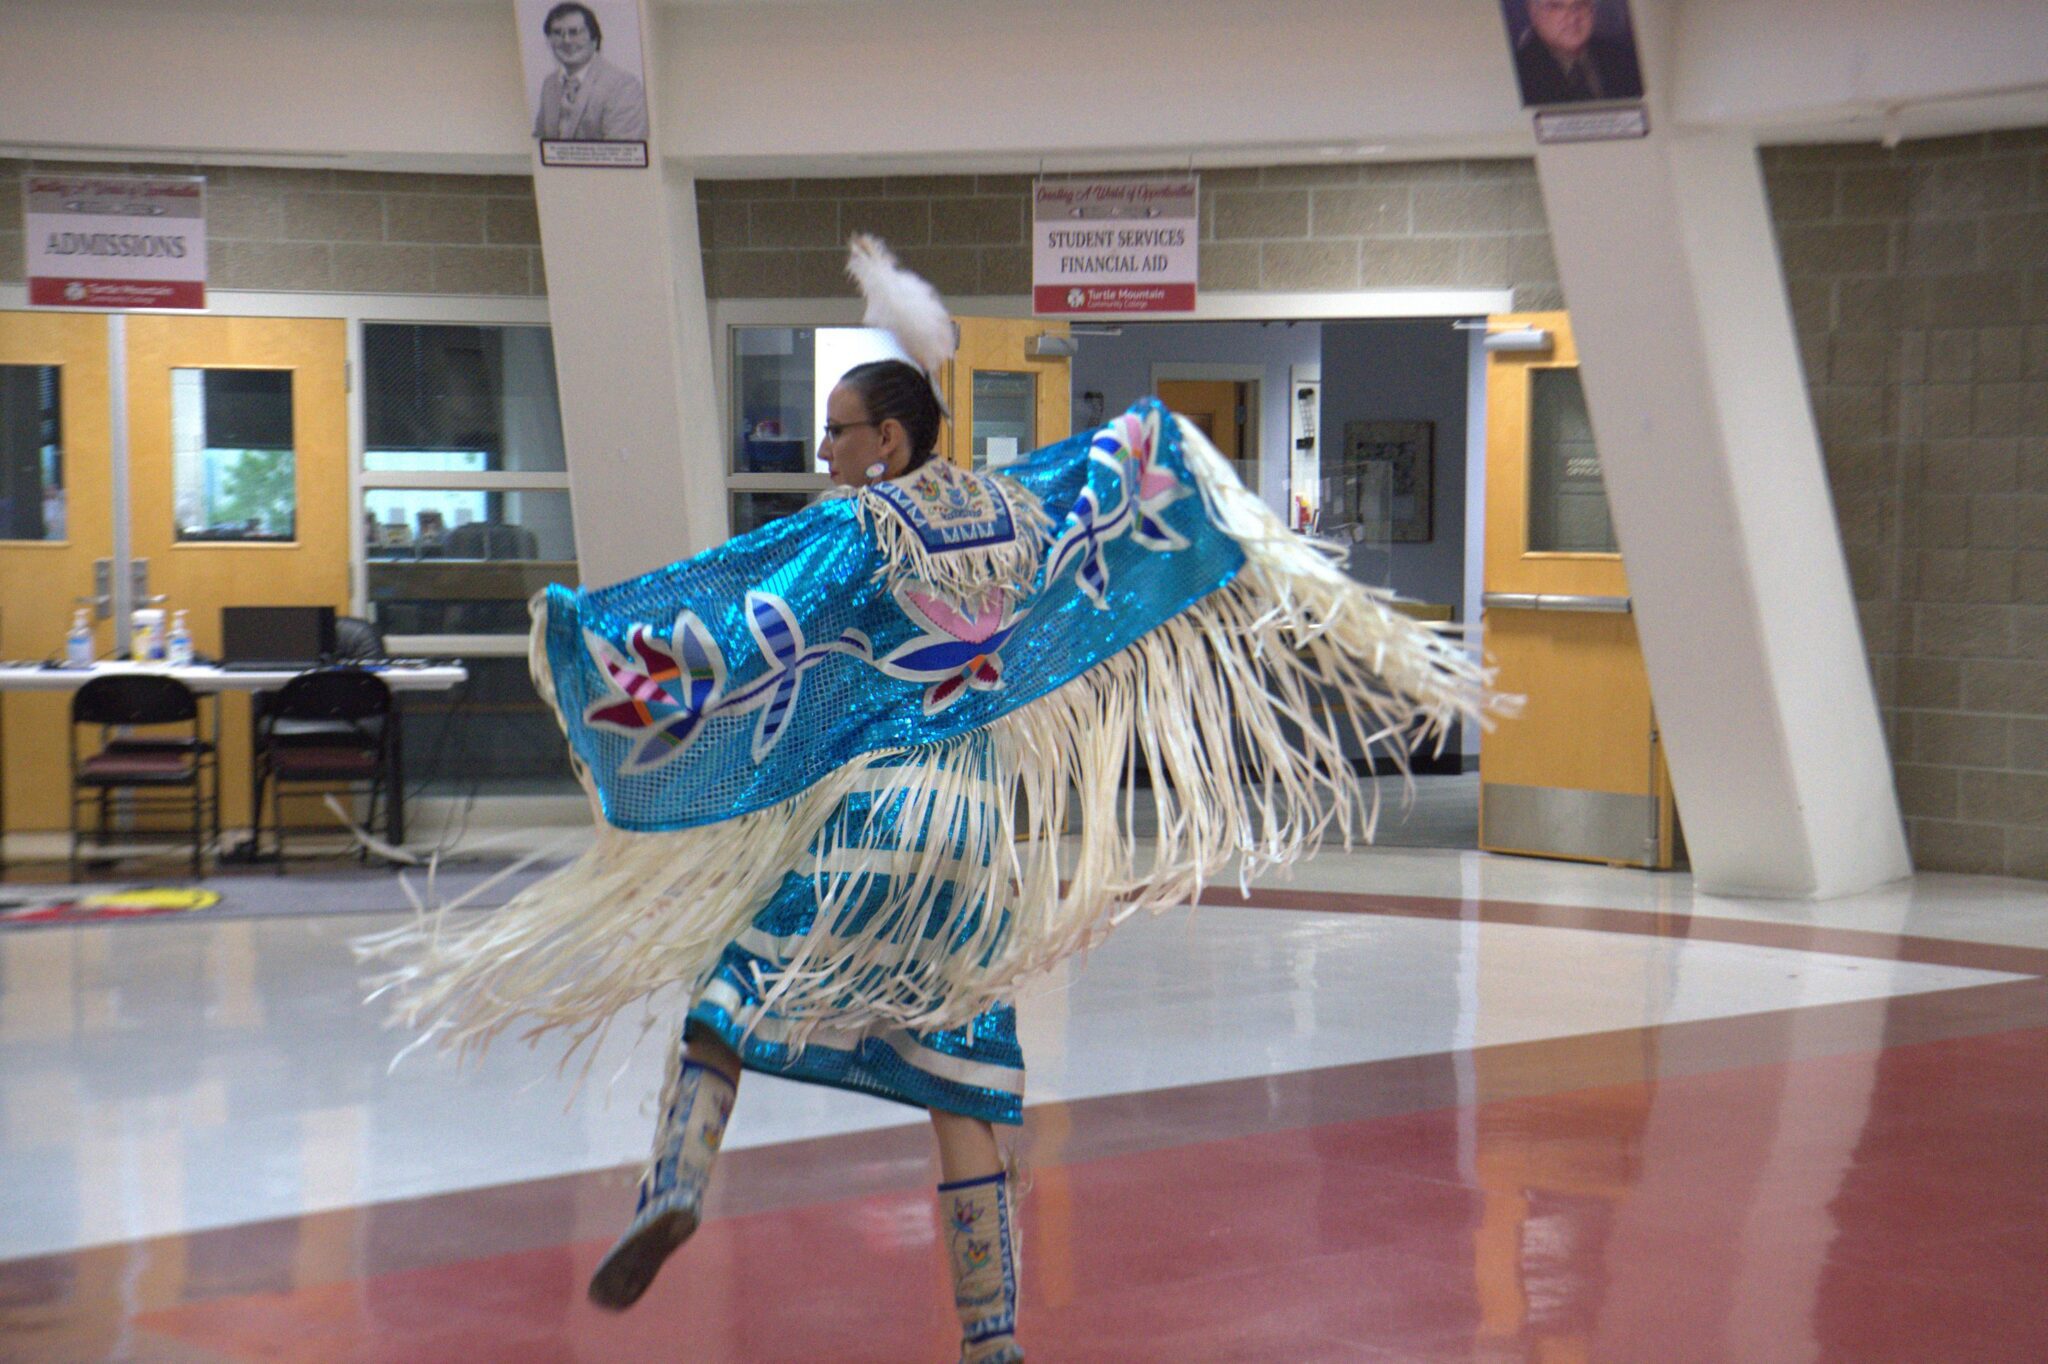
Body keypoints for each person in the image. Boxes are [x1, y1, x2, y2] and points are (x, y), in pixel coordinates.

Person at [363, 238, 1504, 1363]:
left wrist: (594, 635)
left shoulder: (856, 529)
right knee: (965, 1080)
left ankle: (674, 1181)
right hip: (974, 836)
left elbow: (736, 639)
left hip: (875, 817)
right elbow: (1130, 476)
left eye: (837, 427)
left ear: (887, 439)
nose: (822, 447)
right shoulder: (1018, 516)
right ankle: (992, 1336)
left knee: (727, 999)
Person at [532, 1, 648, 142]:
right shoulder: (549, 84)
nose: (566, 40)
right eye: (557, 33)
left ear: (594, 38)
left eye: (574, 32)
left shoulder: (624, 86)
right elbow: (540, 144)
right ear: (548, 41)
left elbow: (622, 152)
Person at [1510, 0, 1644, 106]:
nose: (1573, 17)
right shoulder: (1516, 72)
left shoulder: (1624, 59)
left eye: (1581, 4)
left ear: (1593, 9)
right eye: (1556, 6)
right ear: (1533, 12)